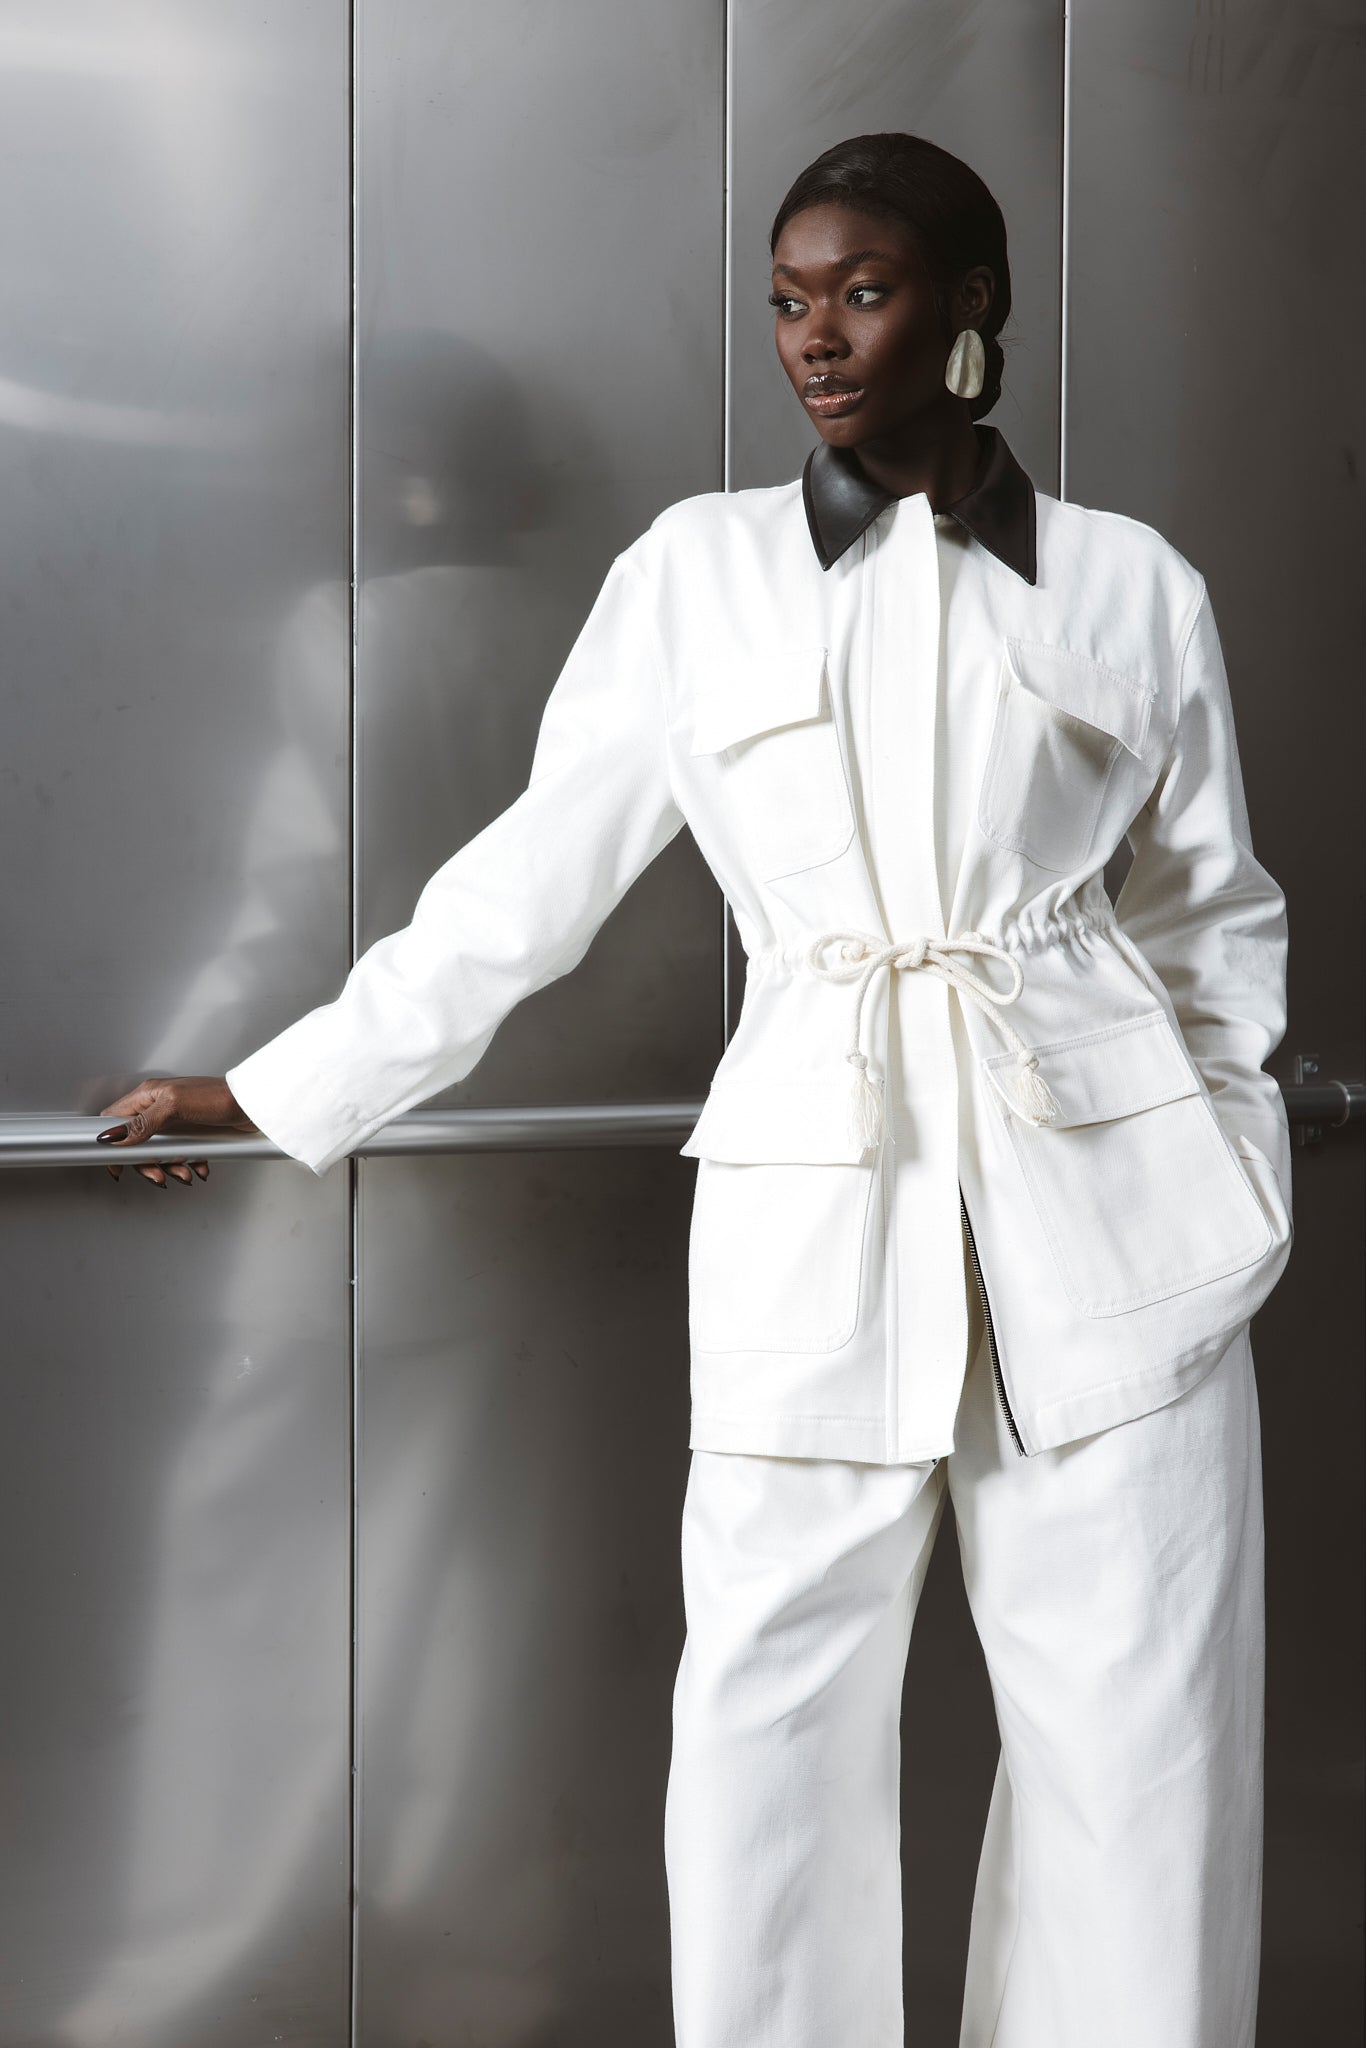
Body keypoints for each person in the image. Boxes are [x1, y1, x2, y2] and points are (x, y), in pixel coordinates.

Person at [97, 132, 1293, 2047]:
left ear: (973, 302)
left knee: (1137, 1746)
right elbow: (523, 887)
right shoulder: (696, 573)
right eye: (789, 301)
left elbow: (1211, 922)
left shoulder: (1131, 585)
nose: (816, 338)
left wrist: (1231, 1175)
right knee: (767, 1738)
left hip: (1114, 1228)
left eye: (864, 292)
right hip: (816, 1199)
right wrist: (280, 1085)